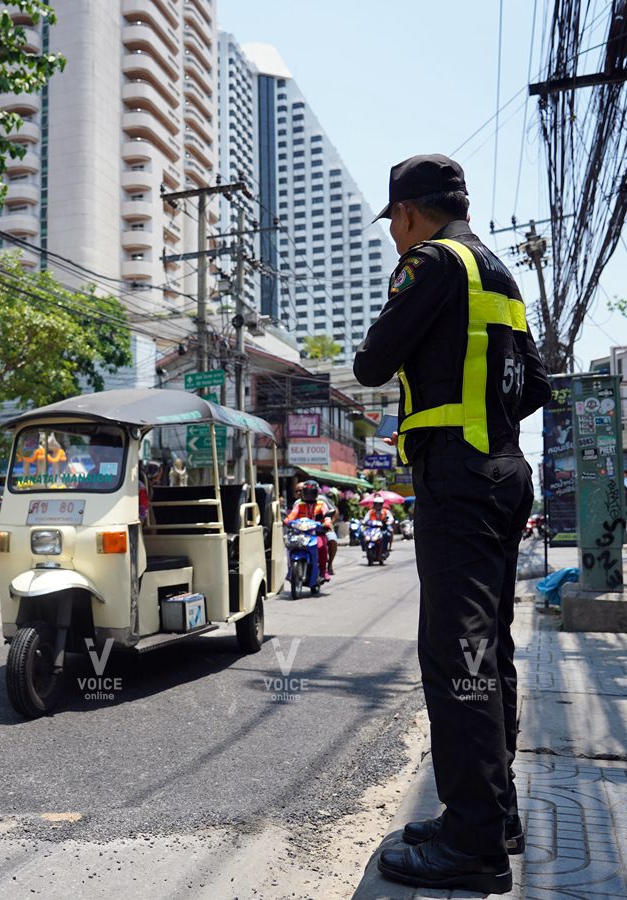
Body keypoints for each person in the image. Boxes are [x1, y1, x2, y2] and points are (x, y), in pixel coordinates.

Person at [355, 154, 550, 895]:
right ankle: (490, 815)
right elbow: (534, 381)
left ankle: (473, 845)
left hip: (457, 478)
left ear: (407, 213)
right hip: (505, 473)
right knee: (488, 647)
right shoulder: (498, 269)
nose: (394, 237)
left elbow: (373, 363)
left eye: (394, 224)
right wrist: (487, 420)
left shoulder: (430, 262)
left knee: (456, 654)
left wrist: (458, 428)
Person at [282, 480, 333, 581]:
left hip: (317, 533)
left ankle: (323, 570)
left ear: (316, 493)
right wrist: (287, 521)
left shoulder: (321, 504)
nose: (309, 495)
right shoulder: (299, 505)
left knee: (322, 547)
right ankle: (290, 570)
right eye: (307, 492)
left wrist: (327, 522)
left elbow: (327, 515)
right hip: (300, 533)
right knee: (290, 548)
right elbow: (292, 515)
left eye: (312, 492)